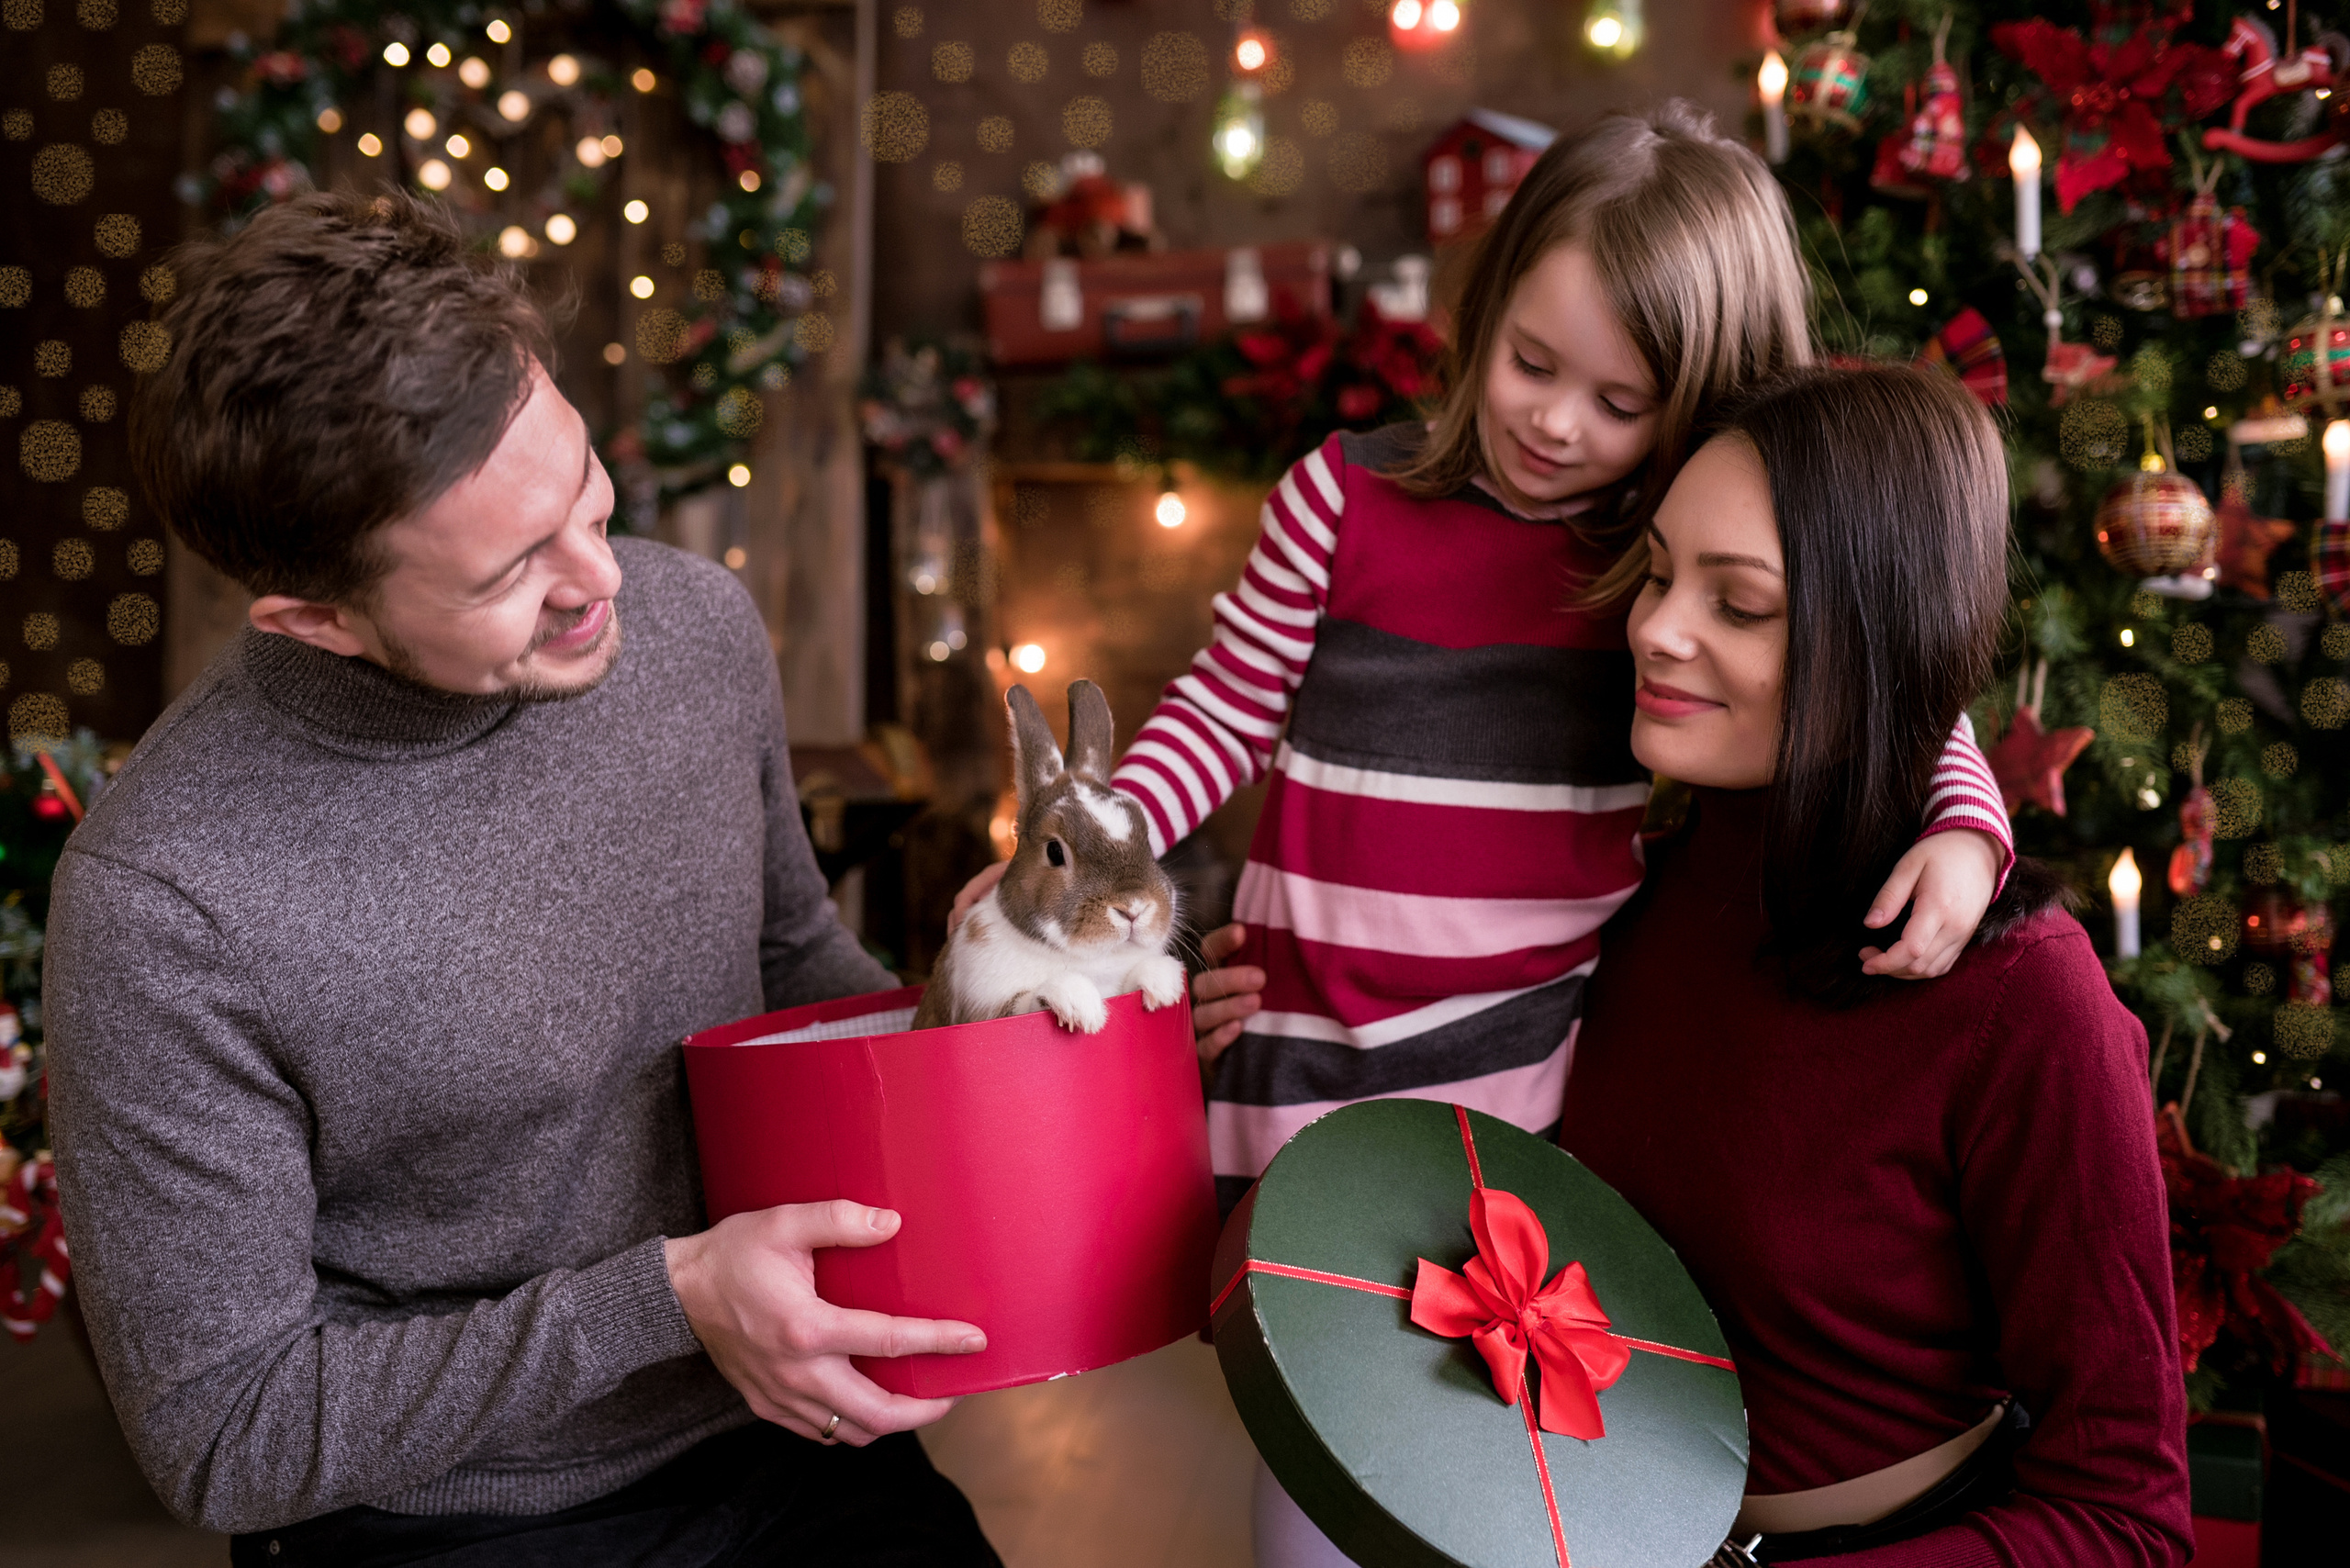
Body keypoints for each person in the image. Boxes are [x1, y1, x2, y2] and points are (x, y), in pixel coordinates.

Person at [968, 102, 2012, 1568]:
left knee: (1478, 1460)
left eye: (1620, 401)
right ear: (1488, 307)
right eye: (1532, 362)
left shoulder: (1657, 565)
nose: (1556, 423)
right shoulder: (1343, 502)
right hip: (1307, 1075)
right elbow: (1218, 711)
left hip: (1521, 1096)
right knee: (1320, 1462)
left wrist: (1966, 822)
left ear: (1697, 403)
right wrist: (1074, 861)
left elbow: (1883, 669)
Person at [42, 192, 1001, 1567]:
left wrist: (993, 1023)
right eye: (507, 570)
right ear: (318, 619)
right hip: (453, 1516)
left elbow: (789, 963)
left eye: (586, 489)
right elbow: (223, 1433)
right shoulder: (164, 900)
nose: (603, 580)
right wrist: (666, 1301)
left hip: (785, 1432)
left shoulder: (694, 628)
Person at [1565, 364, 2189, 1564]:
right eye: (1656, 572)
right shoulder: (1626, 888)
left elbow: (2125, 1517)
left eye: (1739, 604)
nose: (1655, 629)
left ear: (1881, 643)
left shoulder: (2025, 998)